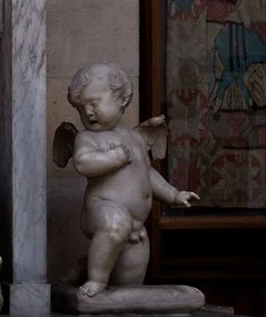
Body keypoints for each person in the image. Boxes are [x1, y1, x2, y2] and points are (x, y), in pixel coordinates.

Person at [55, 62, 198, 299]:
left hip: (136, 224)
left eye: (94, 103)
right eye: (82, 108)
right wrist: (114, 157)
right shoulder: (87, 138)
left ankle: (87, 265)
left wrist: (174, 194)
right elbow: (83, 164)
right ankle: (96, 278)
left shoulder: (134, 138)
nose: (88, 112)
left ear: (121, 100)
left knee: (129, 282)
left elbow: (147, 174)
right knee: (115, 225)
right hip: (101, 209)